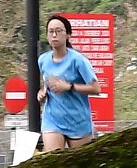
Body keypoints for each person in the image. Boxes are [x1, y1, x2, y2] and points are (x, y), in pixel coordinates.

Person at [37, 16, 97, 151]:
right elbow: (47, 84)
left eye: (58, 31)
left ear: (68, 34)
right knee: (53, 162)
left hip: (78, 121)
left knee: (78, 167)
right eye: (50, 31)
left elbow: (96, 88)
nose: (54, 35)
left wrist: (69, 87)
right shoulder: (43, 60)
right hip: (52, 119)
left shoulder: (78, 60)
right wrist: (42, 93)